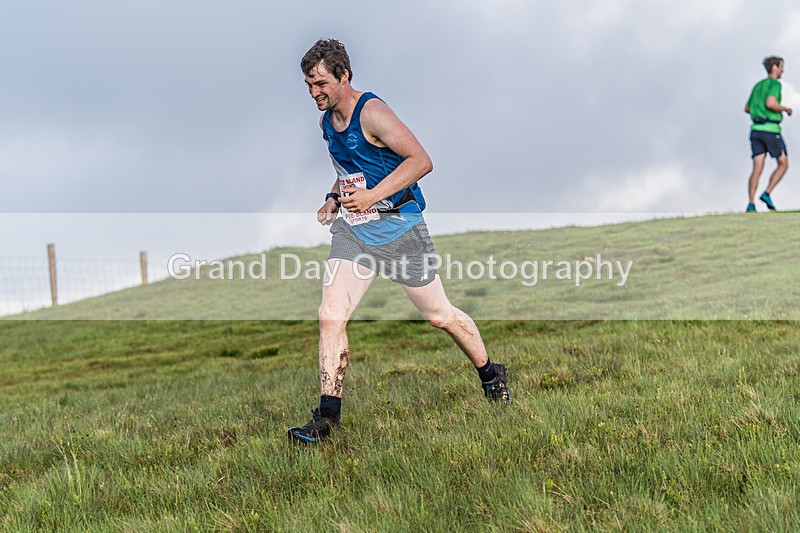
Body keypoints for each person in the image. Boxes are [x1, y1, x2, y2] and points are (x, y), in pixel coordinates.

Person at [287, 39, 511, 444]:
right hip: (355, 232)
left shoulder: (372, 112)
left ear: (344, 76)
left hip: (399, 230)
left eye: (320, 82)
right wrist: (333, 198)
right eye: (307, 84)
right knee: (330, 315)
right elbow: (352, 170)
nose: (313, 92)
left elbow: (421, 161)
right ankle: (327, 420)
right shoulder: (326, 122)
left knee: (440, 316)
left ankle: (491, 374)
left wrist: (373, 196)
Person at [744, 56, 792, 212]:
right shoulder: (774, 84)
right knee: (783, 163)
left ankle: (751, 203)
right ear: (775, 67)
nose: (783, 70)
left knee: (757, 168)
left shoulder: (758, 86)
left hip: (755, 130)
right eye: (781, 67)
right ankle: (767, 193)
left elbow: (747, 108)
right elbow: (770, 103)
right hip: (770, 129)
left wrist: (758, 112)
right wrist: (785, 109)